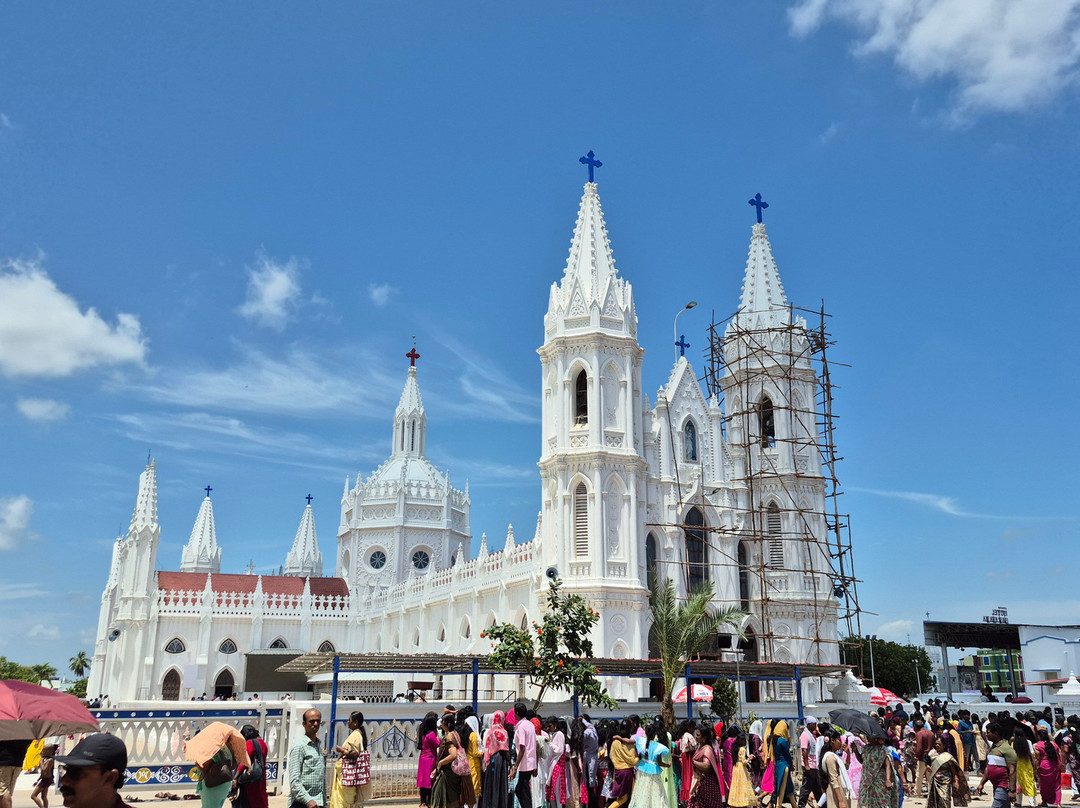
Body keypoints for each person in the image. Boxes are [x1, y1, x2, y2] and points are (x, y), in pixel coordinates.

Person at [330, 711, 371, 808]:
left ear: (355, 722)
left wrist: (342, 750)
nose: (348, 722)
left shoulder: (355, 735)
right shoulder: (358, 734)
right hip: (348, 776)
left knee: (344, 801)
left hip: (347, 776)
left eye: (349, 720)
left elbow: (355, 754)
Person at [289, 708, 327, 808]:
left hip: (319, 802)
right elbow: (294, 781)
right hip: (302, 803)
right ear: (304, 724)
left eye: (318, 721)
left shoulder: (318, 746)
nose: (315, 724)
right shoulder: (299, 747)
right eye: (311, 721)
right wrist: (308, 800)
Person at [627, 721, 668, 808]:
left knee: (642, 790)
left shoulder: (641, 742)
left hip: (642, 769)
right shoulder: (658, 747)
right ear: (655, 734)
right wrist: (668, 765)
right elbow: (660, 762)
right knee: (655, 791)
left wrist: (618, 737)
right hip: (653, 772)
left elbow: (628, 741)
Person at [977, 721, 1018, 808]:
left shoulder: (1007, 749)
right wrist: (982, 783)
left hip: (1003, 787)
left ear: (995, 733)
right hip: (995, 786)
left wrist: (1012, 790)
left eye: (988, 733)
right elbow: (989, 768)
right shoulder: (992, 748)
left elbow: (1012, 771)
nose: (986, 735)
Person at [509, 702, 538, 808]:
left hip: (525, 763)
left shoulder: (521, 727)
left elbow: (522, 747)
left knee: (523, 791)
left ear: (517, 713)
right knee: (521, 790)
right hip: (530, 762)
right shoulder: (530, 725)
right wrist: (536, 765)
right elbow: (536, 744)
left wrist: (515, 767)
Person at [927, 737, 969, 808]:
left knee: (945, 798)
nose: (937, 745)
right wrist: (927, 766)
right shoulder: (932, 755)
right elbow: (927, 762)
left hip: (945, 781)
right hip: (935, 780)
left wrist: (956, 781)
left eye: (939, 744)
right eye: (936, 744)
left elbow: (953, 769)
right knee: (935, 798)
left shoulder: (947, 756)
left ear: (944, 746)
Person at [431, 714, 464, 808]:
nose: (440, 724)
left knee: (439, 795)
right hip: (452, 772)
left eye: (442, 722)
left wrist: (441, 763)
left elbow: (453, 754)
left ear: (445, 723)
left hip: (448, 774)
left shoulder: (449, 736)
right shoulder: (455, 733)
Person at [688, 724, 724, 808]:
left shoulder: (707, 749)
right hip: (701, 784)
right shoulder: (700, 747)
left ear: (704, 738)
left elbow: (706, 766)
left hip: (707, 785)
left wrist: (694, 762)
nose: (696, 737)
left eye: (698, 735)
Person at [232, 725, 268, 808]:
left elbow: (245, 762)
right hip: (260, 775)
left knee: (251, 800)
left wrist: (235, 778)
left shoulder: (250, 743)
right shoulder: (263, 743)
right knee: (261, 797)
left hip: (251, 779)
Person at [197, 731, 235, 808]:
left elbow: (204, 768)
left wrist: (196, 762)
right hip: (225, 781)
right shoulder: (229, 748)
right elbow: (233, 766)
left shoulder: (213, 749)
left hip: (213, 782)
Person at [480, 710, 510, 808]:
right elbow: (505, 750)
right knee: (500, 783)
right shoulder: (503, 732)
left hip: (491, 760)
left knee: (490, 783)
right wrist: (510, 763)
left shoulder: (489, 732)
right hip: (500, 760)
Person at [857, 735, 896, 808]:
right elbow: (862, 761)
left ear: (875, 737)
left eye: (869, 736)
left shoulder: (883, 750)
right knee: (866, 803)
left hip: (879, 781)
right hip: (866, 781)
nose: (867, 738)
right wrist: (856, 751)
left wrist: (888, 779)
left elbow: (888, 765)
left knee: (881, 803)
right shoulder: (866, 748)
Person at [607, 720, 638, 808]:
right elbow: (632, 761)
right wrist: (638, 759)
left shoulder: (615, 742)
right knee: (633, 797)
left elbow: (612, 756)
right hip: (628, 773)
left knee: (622, 798)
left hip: (618, 772)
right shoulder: (630, 744)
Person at [819, 728, 853, 808]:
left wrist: (848, 754)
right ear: (832, 741)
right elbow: (833, 779)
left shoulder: (834, 756)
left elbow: (846, 766)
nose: (841, 743)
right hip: (836, 792)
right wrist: (840, 801)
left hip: (840, 790)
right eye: (839, 740)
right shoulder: (830, 757)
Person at [770, 721, 797, 808]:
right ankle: (778, 805)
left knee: (787, 786)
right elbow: (787, 754)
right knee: (782, 787)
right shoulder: (782, 741)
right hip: (784, 765)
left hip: (778, 765)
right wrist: (791, 764)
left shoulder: (774, 740)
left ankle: (794, 805)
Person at [727, 731, 757, 808]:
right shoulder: (742, 749)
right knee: (743, 785)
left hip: (736, 768)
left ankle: (736, 801)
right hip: (741, 769)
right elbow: (744, 761)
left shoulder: (735, 749)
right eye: (744, 740)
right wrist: (749, 759)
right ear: (741, 741)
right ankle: (743, 802)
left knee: (736, 785)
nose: (745, 742)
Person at [544, 717, 569, 807]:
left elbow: (559, 750)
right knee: (553, 791)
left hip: (558, 764)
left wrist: (550, 743)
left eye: (550, 726)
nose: (549, 728)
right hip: (553, 764)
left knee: (557, 791)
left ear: (555, 725)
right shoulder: (554, 734)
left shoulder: (559, 735)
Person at [1034, 729, 1062, 808]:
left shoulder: (1038, 745)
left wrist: (1036, 769)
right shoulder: (1053, 744)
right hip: (1054, 765)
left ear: (1039, 736)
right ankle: (1058, 803)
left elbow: (1037, 758)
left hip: (1043, 765)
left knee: (1044, 785)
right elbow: (1059, 754)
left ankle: (1044, 801)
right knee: (1056, 784)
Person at [418, 712, 441, 808]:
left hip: (423, 758)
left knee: (423, 781)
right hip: (430, 759)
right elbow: (438, 743)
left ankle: (423, 801)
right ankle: (429, 801)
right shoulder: (431, 734)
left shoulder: (423, 733)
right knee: (430, 780)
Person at [0, 738, 31, 808]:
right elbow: (28, 745)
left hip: (3, 762)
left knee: (4, 791)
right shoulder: (23, 729)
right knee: (8, 791)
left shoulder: (4, 728)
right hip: (18, 763)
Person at [460, 711, 482, 808]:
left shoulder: (467, 735)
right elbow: (475, 752)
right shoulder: (473, 735)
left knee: (468, 787)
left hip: (468, 762)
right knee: (474, 787)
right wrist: (485, 751)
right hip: (474, 764)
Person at [798, 718, 822, 808]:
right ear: (809, 725)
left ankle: (822, 804)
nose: (815, 726)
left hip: (814, 765)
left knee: (817, 787)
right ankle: (801, 805)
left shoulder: (813, 735)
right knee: (806, 787)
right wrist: (807, 765)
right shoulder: (805, 735)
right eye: (814, 724)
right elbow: (804, 750)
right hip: (809, 766)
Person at [1015, 726, 1038, 807]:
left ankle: (1018, 801)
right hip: (1027, 766)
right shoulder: (1028, 742)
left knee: (1018, 784)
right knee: (1030, 783)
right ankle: (1032, 803)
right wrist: (1035, 766)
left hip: (1018, 766)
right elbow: (1032, 755)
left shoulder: (1013, 743)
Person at [914, 718, 937, 797]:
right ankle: (931, 792)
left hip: (923, 757)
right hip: (931, 756)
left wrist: (917, 755)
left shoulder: (919, 733)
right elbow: (935, 745)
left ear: (916, 727)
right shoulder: (931, 733)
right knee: (930, 775)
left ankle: (918, 792)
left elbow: (919, 747)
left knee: (919, 775)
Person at [30, 744, 57, 808]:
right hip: (45, 779)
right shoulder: (46, 759)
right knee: (44, 797)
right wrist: (38, 780)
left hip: (46, 780)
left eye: (43, 751)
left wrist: (41, 762)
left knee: (33, 796)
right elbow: (43, 773)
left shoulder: (50, 760)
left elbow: (44, 770)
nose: (42, 752)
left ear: (48, 751)